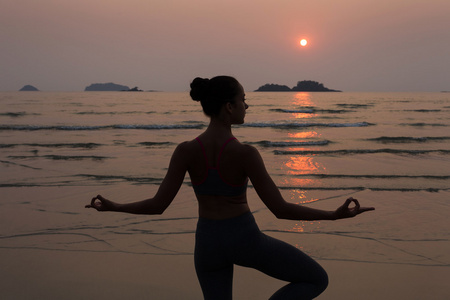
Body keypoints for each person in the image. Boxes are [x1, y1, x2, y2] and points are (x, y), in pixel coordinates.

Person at [86, 75, 375, 299]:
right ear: (229, 107)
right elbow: (280, 209)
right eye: (243, 100)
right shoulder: (245, 153)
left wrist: (115, 206)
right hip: (243, 239)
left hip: (207, 243)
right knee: (316, 279)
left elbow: (158, 206)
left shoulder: (185, 150)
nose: (247, 105)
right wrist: (333, 216)